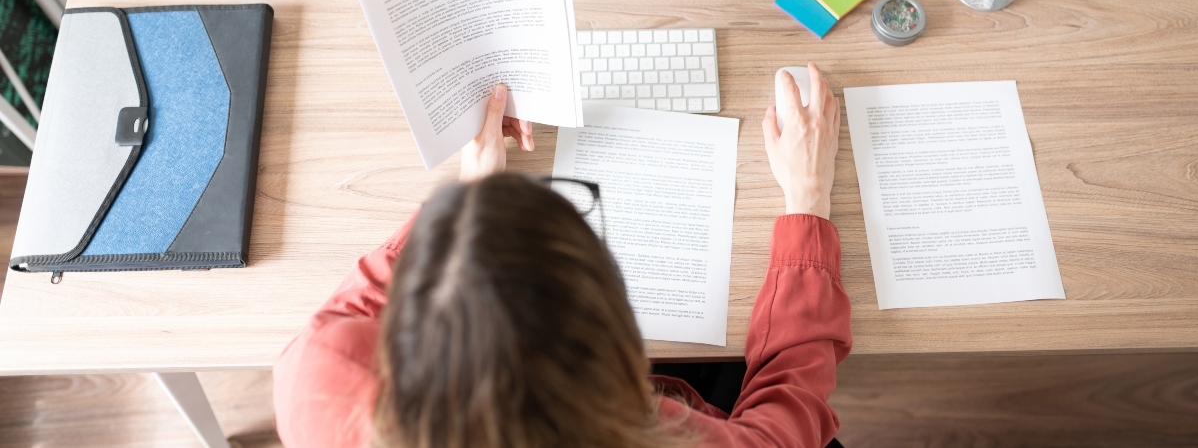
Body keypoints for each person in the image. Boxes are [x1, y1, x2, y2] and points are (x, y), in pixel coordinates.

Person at [274, 63, 849, 447]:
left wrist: (473, 200)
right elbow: (780, 431)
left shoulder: (321, 374)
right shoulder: (636, 429)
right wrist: (808, 204)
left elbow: (368, 295)